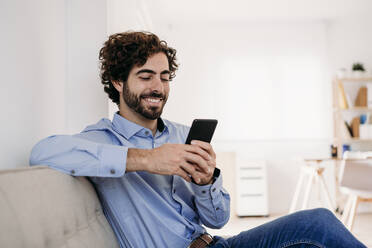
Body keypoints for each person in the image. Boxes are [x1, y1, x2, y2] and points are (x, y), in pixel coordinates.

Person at [30, 31, 366, 248]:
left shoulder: (181, 135)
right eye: (145, 76)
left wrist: (207, 181)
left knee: (314, 233)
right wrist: (146, 159)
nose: (157, 87)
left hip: (216, 243)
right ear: (118, 82)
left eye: (163, 77)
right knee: (317, 224)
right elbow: (43, 152)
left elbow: (218, 218)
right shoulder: (102, 140)